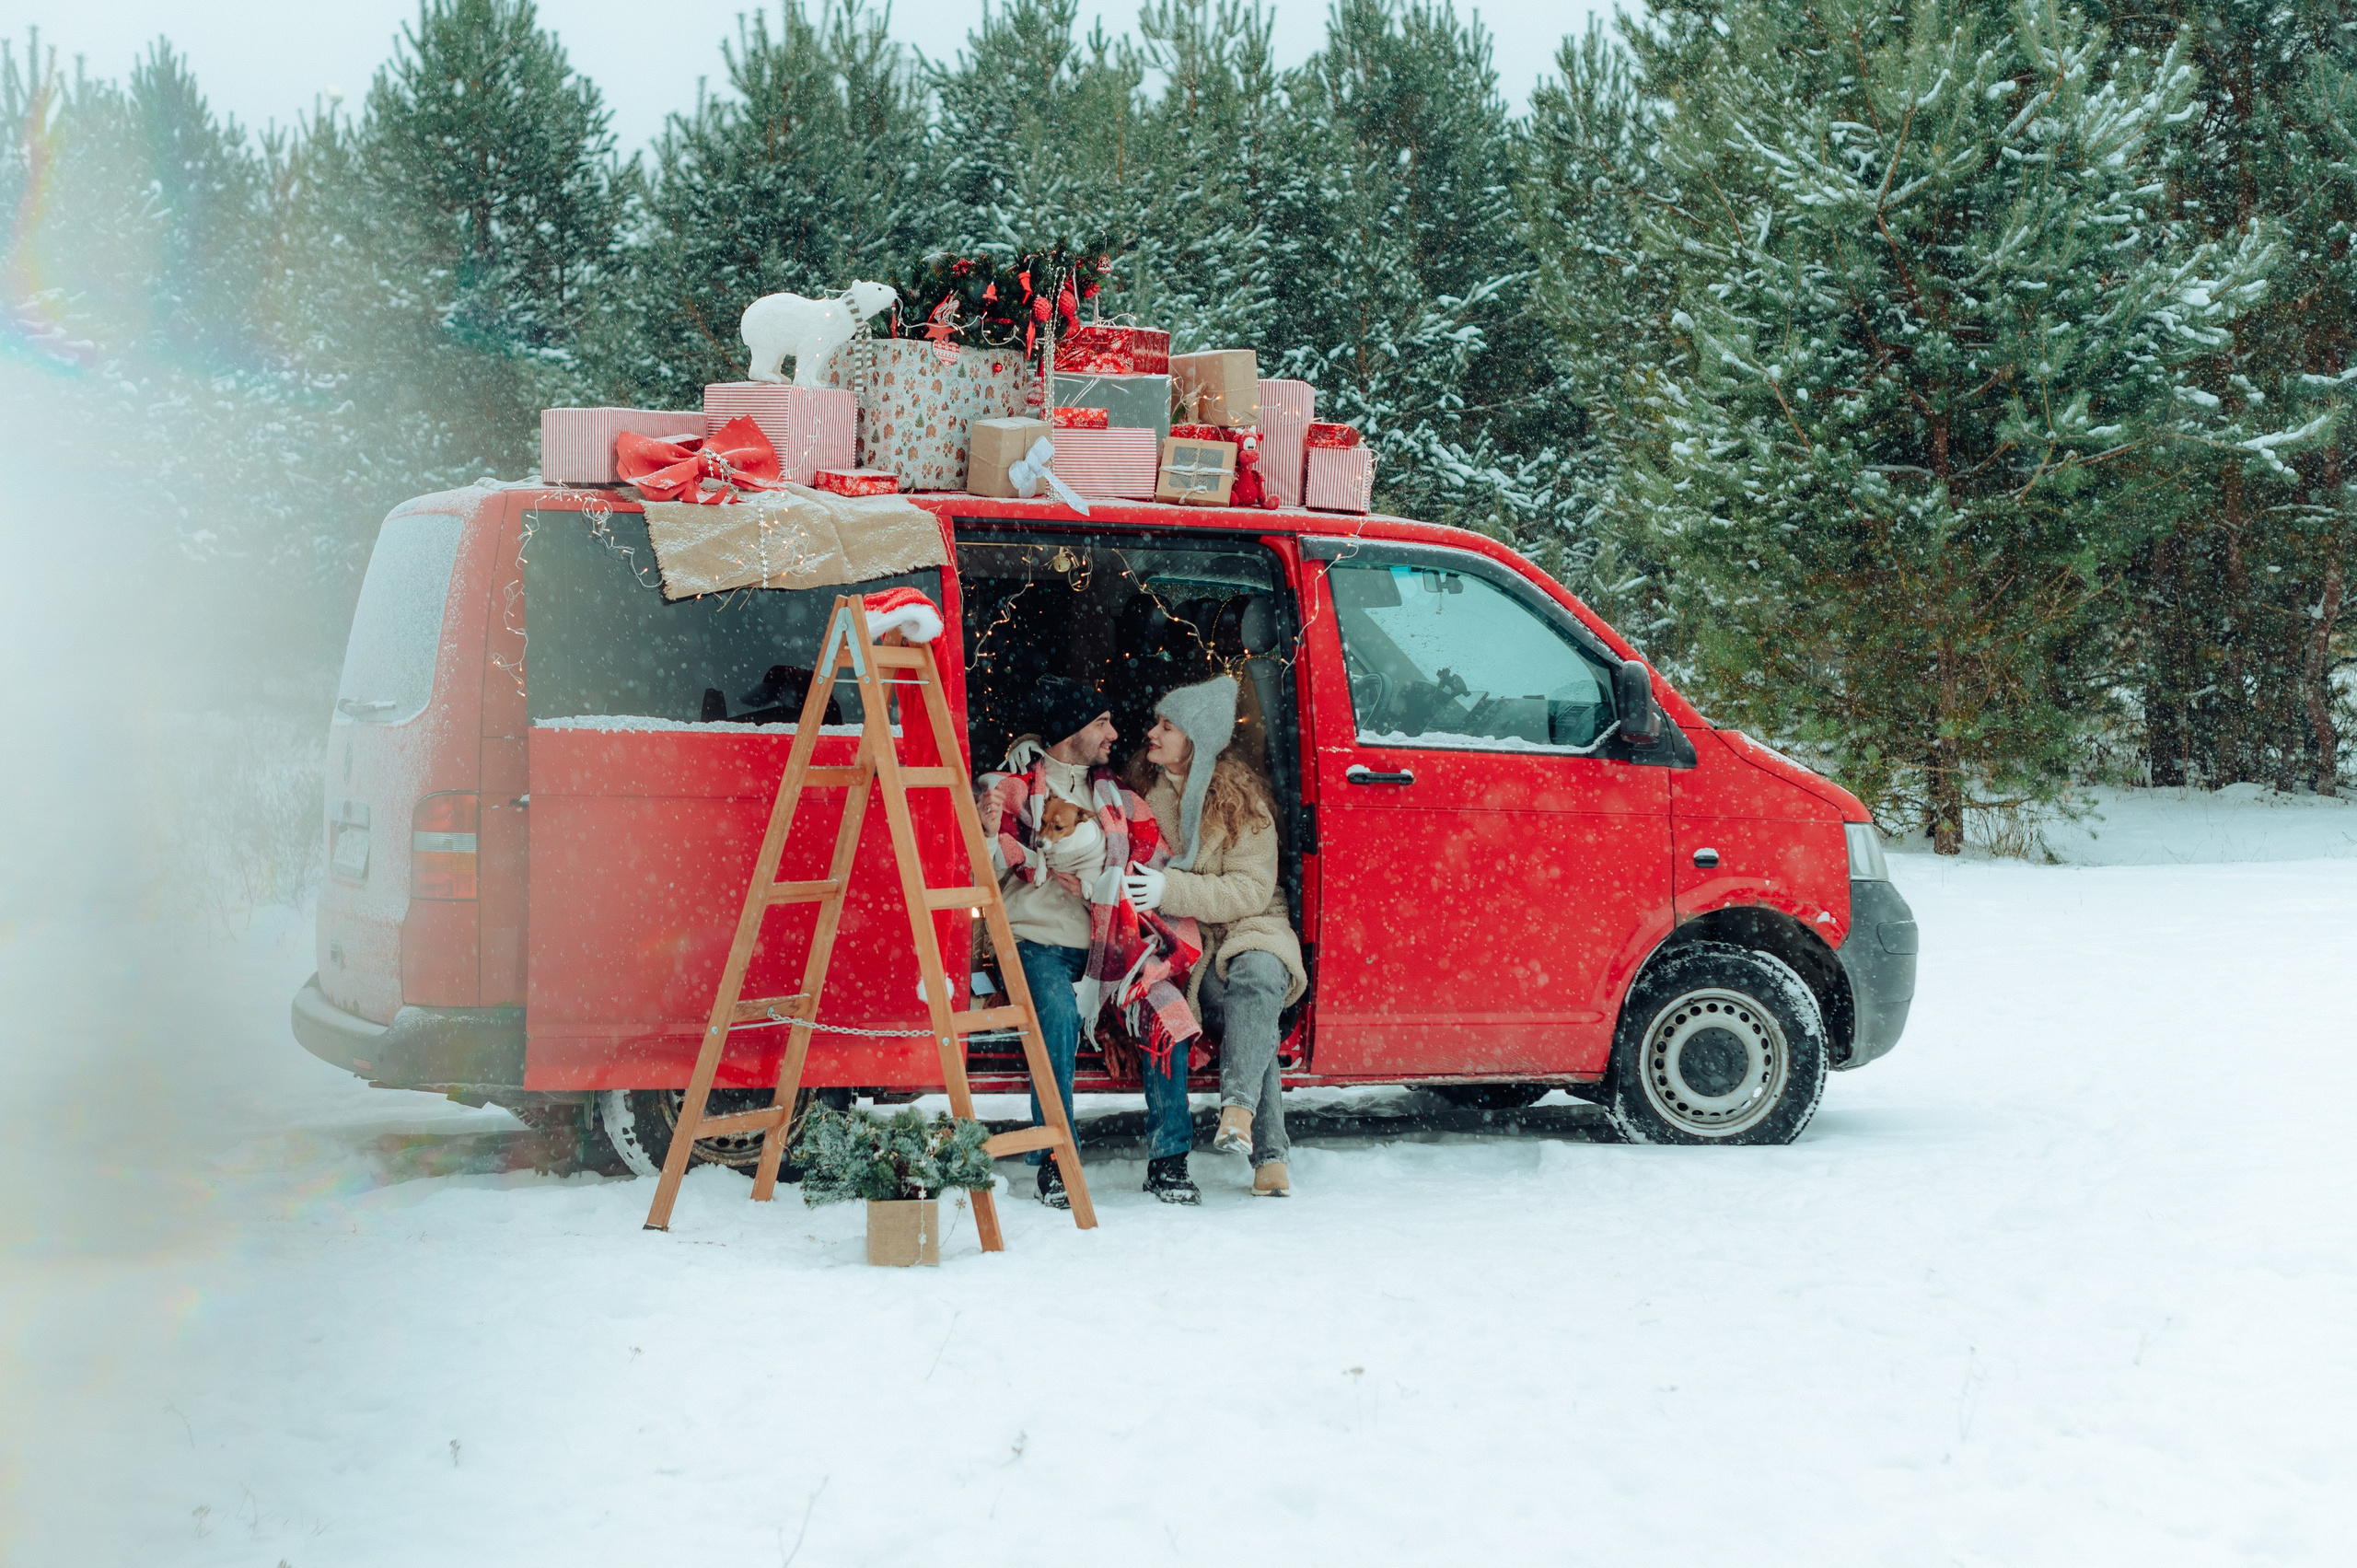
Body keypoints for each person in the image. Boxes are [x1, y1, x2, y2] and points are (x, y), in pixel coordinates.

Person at [979, 676, 1200, 1207]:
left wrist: (1123, 884)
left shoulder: (1119, 797)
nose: (1114, 732)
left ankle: (1169, 1159)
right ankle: (1058, 1160)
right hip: (1040, 942)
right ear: (1070, 730)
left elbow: (1156, 858)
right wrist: (987, 835)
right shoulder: (1010, 789)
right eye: (1101, 722)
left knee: (1170, 1017)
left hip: (1114, 948)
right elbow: (971, 874)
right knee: (1054, 1016)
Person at [1122, 676, 1307, 1196]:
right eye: (1157, 722)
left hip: (1255, 922)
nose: (1152, 733)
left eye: (1167, 726)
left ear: (1196, 740)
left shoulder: (1241, 801)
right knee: (1247, 1015)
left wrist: (1171, 887)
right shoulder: (1144, 793)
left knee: (1259, 976)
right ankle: (1268, 1152)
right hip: (1195, 938)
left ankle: (1239, 1112)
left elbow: (1250, 890)